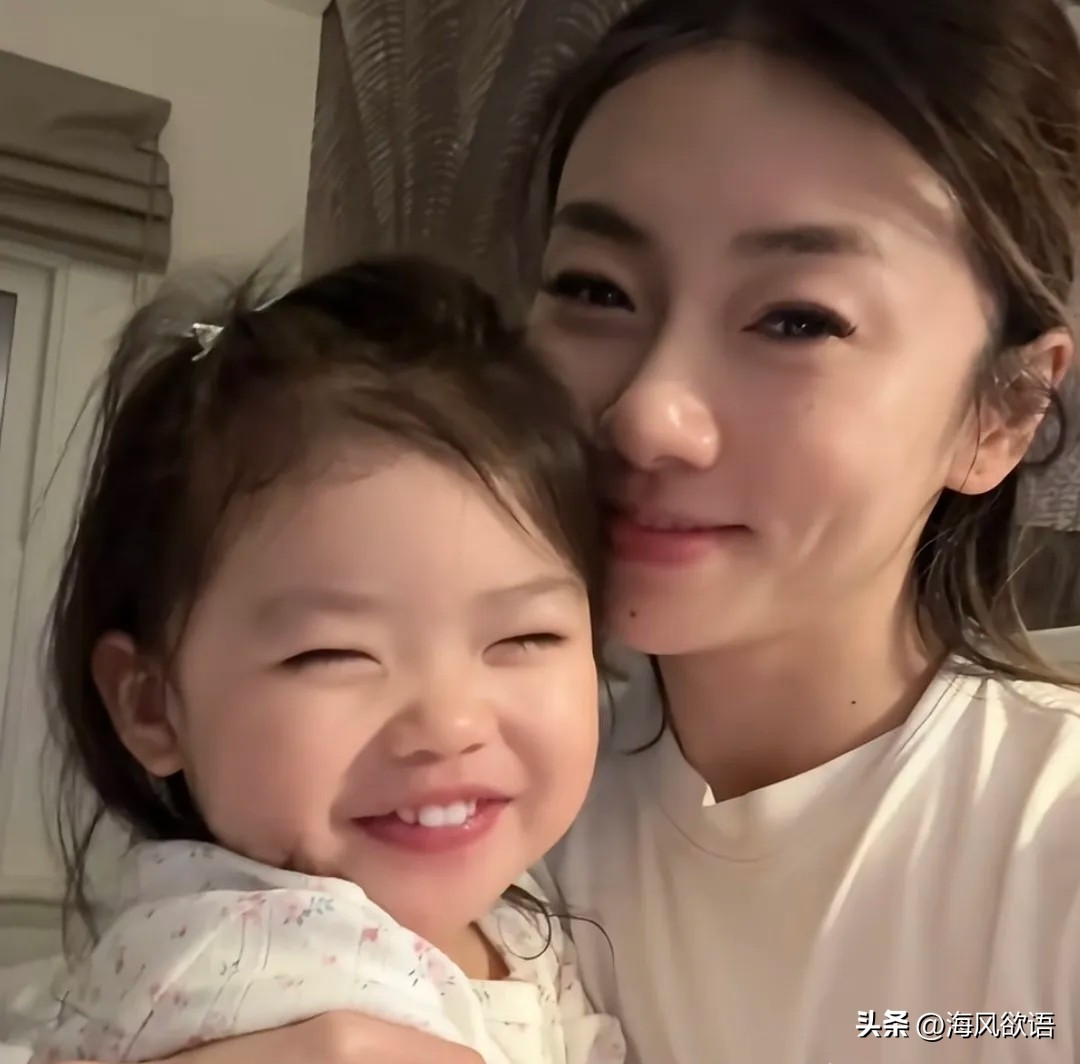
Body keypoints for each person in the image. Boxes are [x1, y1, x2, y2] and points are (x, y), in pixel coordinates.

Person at [6, 0, 1080, 1060]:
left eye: (797, 318)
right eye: (594, 289)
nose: (649, 412)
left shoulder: (1047, 848)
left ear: (1007, 408)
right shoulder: (457, 805)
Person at [27, 256, 624, 1064]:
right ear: (151, 704)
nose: (449, 723)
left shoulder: (512, 915)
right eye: (335, 654)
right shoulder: (270, 974)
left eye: (525, 639)